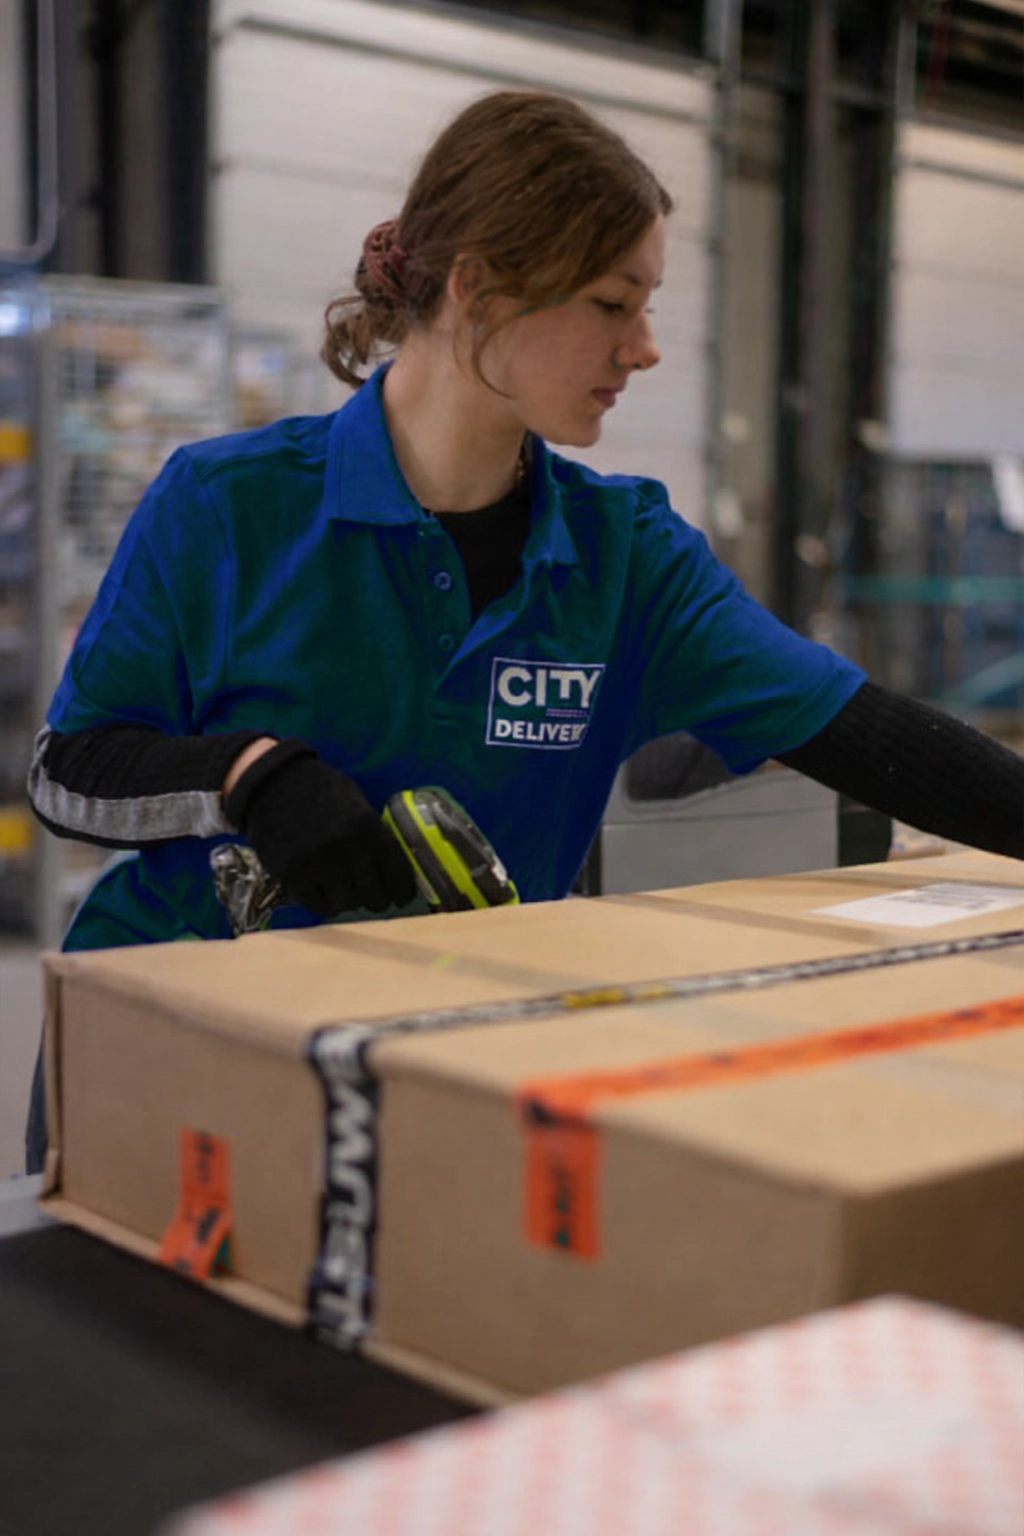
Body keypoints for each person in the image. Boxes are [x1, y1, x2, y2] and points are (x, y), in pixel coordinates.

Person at [26, 90, 1024, 1170]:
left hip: (445, 1071)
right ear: (479, 287)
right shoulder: (229, 505)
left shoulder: (626, 557)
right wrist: (247, 778)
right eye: (612, 303)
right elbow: (68, 769)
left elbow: (865, 733)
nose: (644, 349)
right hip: (171, 1051)